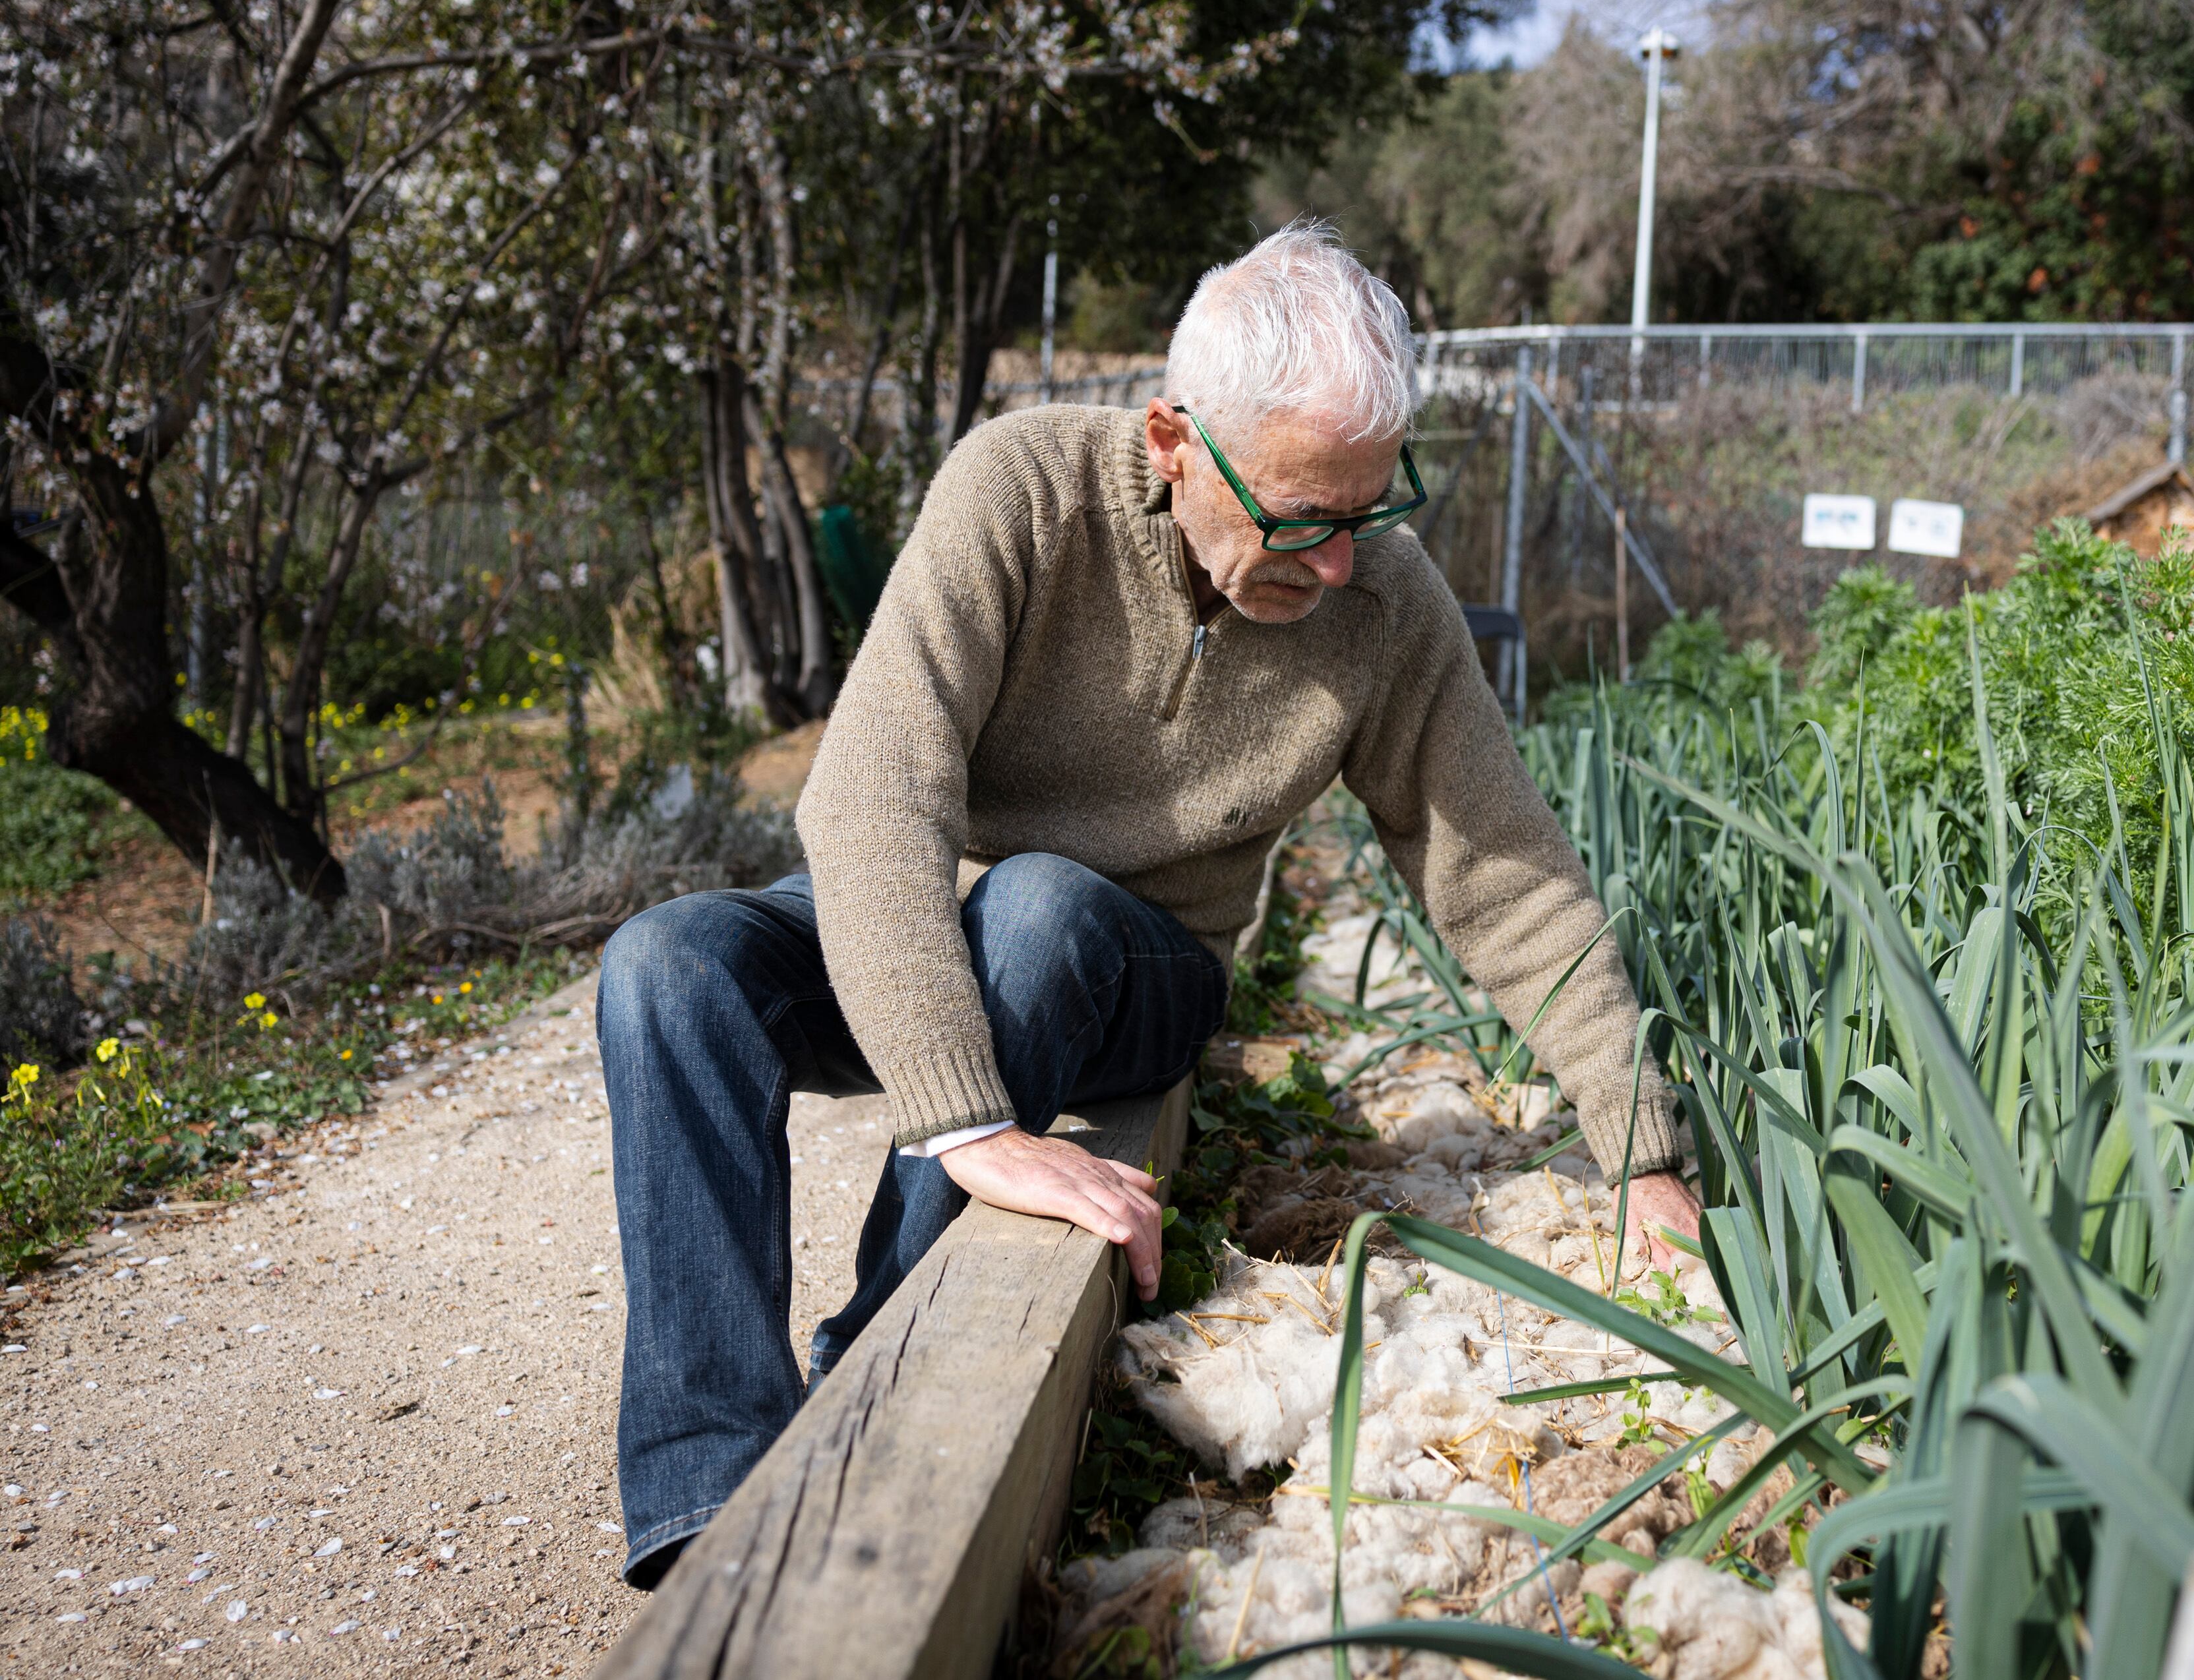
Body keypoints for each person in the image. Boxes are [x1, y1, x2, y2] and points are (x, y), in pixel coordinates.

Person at [593, 220, 1700, 1591]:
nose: (1340, 560)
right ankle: (710, 1492)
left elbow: (1508, 873)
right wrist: (965, 1117)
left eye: (1366, 511)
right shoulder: (1017, 490)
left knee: (1045, 908)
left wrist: (1643, 1144)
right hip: (963, 932)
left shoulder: (1384, 609)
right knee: (670, 962)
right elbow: (874, 791)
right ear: (1175, 438)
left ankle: (870, 1399)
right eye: (1301, 514)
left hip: (1136, 966)